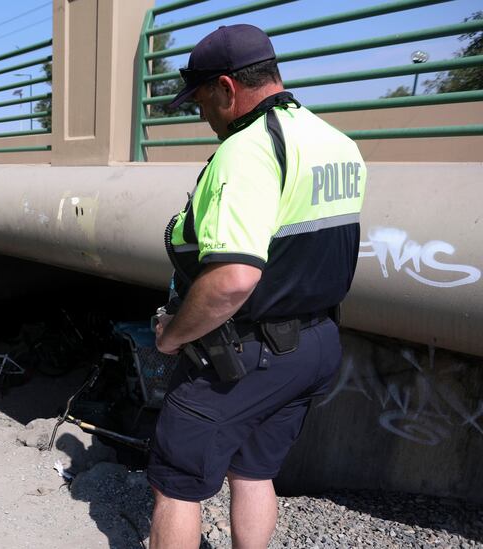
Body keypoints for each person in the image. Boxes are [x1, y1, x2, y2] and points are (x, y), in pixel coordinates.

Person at [149, 25, 366, 548]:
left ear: (226, 87)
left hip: (247, 354)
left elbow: (232, 279)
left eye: (202, 100)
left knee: (176, 481)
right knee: (253, 470)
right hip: (316, 345)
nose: (203, 116)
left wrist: (173, 336)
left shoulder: (246, 151)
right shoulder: (335, 141)